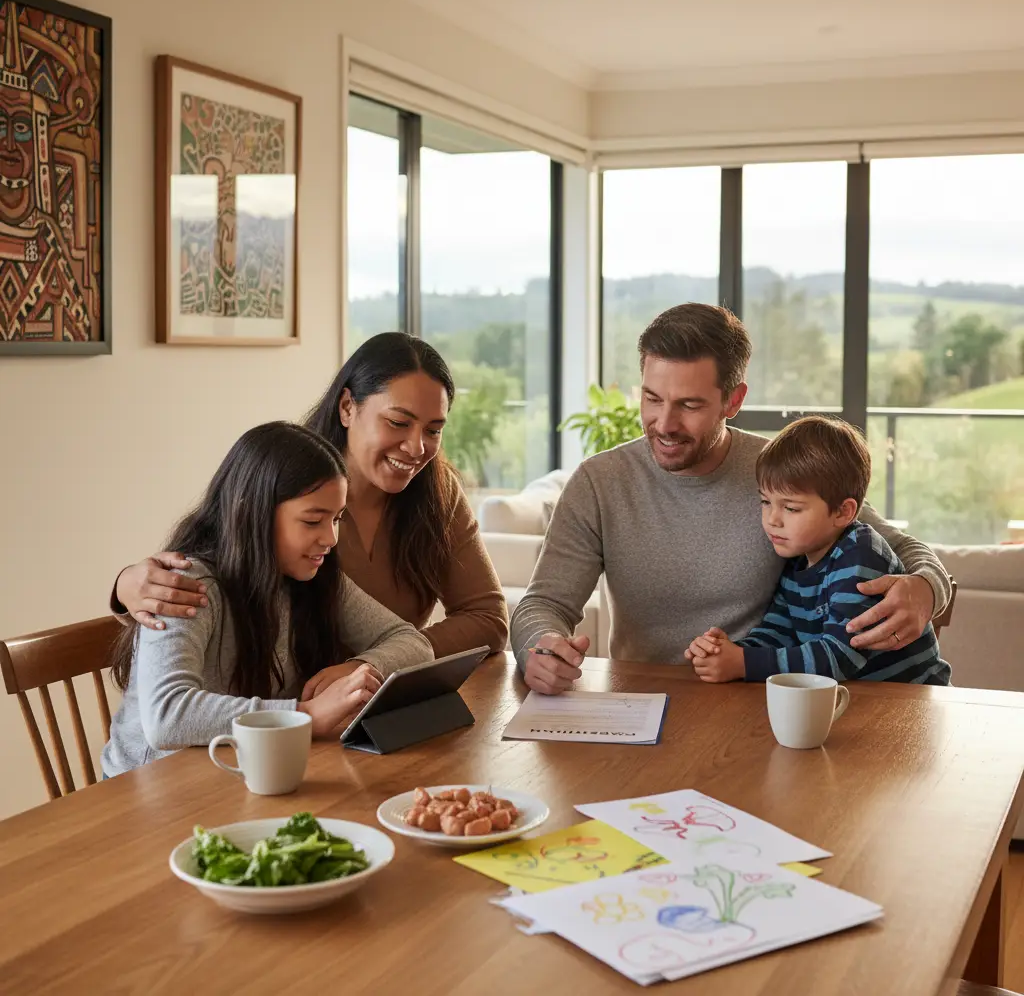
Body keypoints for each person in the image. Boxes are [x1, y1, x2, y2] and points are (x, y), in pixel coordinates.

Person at [512, 303, 952, 695]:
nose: (664, 423)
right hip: (641, 701)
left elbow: (900, 547)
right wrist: (540, 648)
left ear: (734, 399)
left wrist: (928, 590)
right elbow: (543, 604)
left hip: (754, 698)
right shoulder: (599, 481)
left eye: (689, 405)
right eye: (651, 398)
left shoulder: (781, 474)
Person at [109, 334, 508, 660]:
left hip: (368, 710)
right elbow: (213, 564)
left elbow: (488, 618)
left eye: (434, 430)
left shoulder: (437, 494)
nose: (417, 447)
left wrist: (379, 667)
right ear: (348, 406)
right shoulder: (289, 482)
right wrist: (125, 587)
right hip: (285, 717)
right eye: (398, 422)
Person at [102, 422, 433, 778]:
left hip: (241, 770)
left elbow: (414, 644)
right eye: (312, 521)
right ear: (254, 514)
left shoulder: (313, 578)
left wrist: (357, 668)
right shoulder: (184, 585)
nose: (331, 538)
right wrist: (305, 715)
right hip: (148, 791)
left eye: (336, 519)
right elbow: (167, 718)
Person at [684, 415, 950, 685]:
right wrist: (728, 651)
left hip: (914, 704)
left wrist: (743, 664)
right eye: (766, 501)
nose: (772, 519)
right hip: (859, 703)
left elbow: (839, 656)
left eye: (791, 508)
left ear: (843, 512)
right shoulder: (797, 562)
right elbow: (778, 632)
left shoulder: (861, 555)